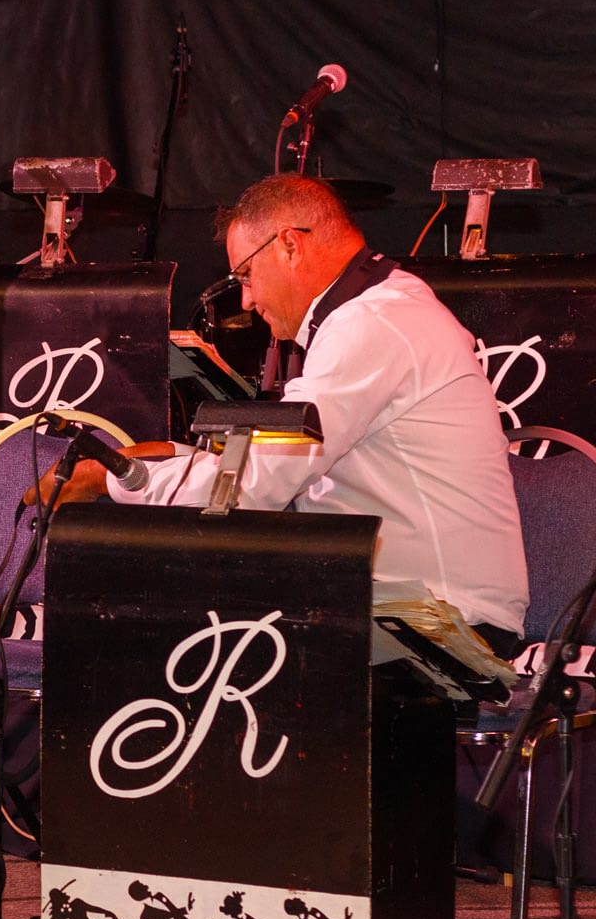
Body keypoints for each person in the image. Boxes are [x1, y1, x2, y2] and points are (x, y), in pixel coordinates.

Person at [36, 173, 528, 648]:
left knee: (167, 641)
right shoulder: (382, 307)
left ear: (289, 245)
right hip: (406, 613)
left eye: (246, 275)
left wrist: (110, 478)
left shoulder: (373, 323)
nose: (247, 299)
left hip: (444, 627)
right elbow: (278, 469)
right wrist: (170, 458)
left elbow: (250, 488)